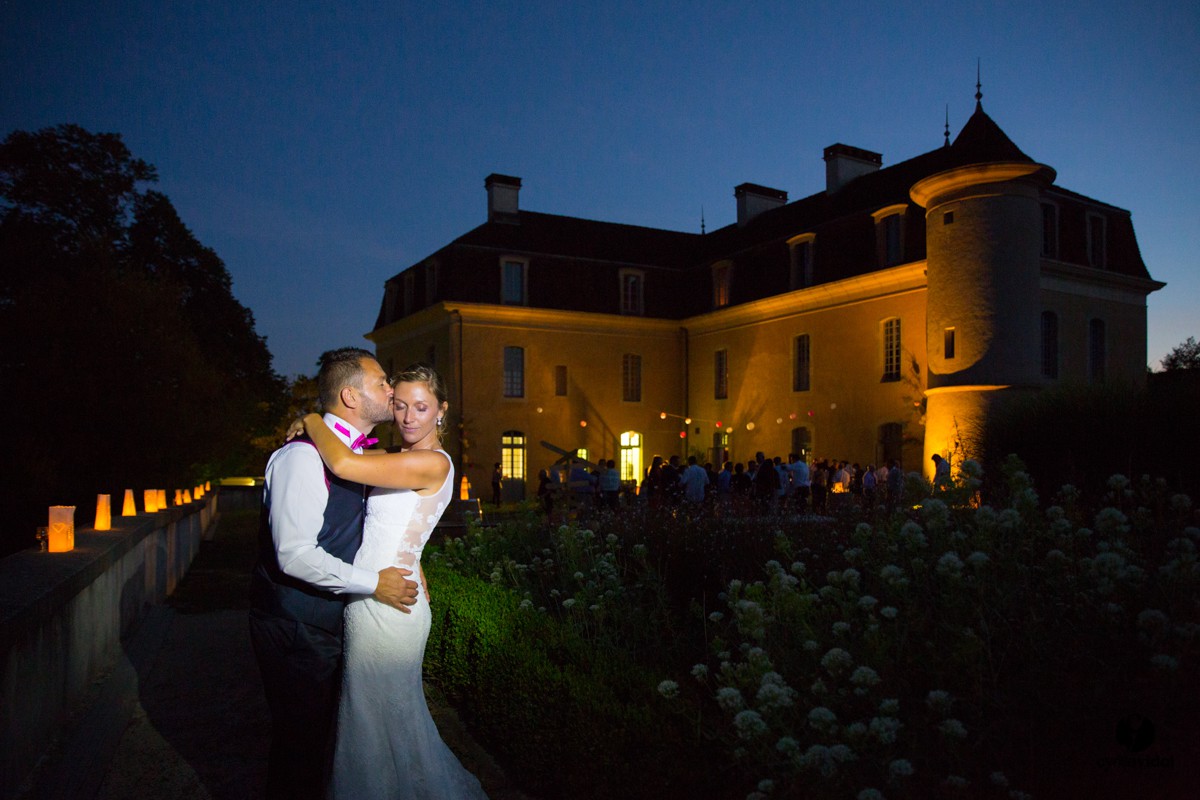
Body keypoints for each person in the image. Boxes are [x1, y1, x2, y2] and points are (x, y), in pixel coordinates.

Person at [297, 363, 487, 799]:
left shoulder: (432, 463)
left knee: (384, 717)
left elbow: (342, 462)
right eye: (399, 405)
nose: (408, 417)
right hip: (370, 596)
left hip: (390, 609)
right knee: (370, 717)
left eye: (421, 407)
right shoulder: (394, 457)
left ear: (441, 410)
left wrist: (311, 419)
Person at [249, 347, 420, 800]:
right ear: (350, 396)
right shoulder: (302, 457)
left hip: (331, 621)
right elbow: (294, 555)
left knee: (324, 745)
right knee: (299, 750)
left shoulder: (359, 454)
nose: (391, 389)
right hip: (296, 623)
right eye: (381, 382)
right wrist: (374, 584)